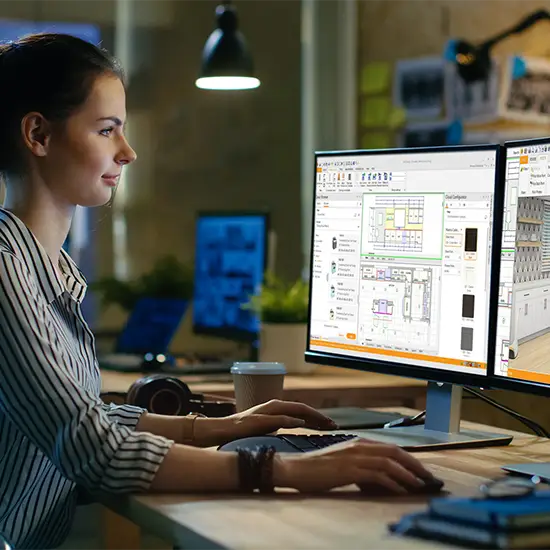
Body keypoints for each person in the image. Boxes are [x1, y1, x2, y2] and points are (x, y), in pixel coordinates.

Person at [0, 33, 435, 550]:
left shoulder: (47, 266)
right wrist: (291, 470)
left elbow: (81, 414)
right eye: (106, 130)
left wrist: (219, 426)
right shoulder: (7, 269)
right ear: (38, 135)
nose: (128, 151)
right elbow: (92, 447)